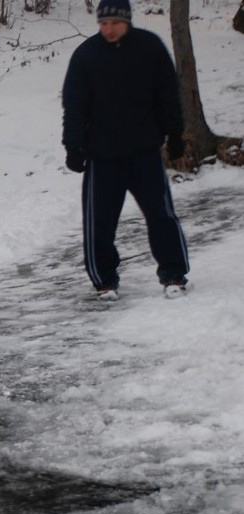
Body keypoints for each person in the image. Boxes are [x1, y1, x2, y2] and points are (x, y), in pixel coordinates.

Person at [62, 0, 190, 301]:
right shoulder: (86, 56)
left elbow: (168, 94)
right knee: (100, 223)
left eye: (114, 23)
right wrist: (73, 145)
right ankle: (104, 280)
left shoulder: (150, 47)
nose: (108, 29)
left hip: (144, 150)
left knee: (161, 215)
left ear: (127, 21)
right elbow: (74, 105)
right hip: (102, 155)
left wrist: (175, 133)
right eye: (103, 23)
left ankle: (174, 274)